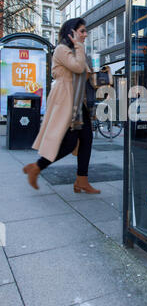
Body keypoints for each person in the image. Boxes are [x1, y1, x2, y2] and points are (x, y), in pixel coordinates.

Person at [23, 17, 100, 194]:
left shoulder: (74, 50)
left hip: (77, 102)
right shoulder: (61, 49)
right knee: (69, 143)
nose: (85, 34)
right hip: (66, 100)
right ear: (71, 32)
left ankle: (82, 180)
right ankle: (36, 167)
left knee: (87, 139)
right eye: (82, 31)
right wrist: (80, 48)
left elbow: (86, 73)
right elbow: (78, 68)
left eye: (85, 31)